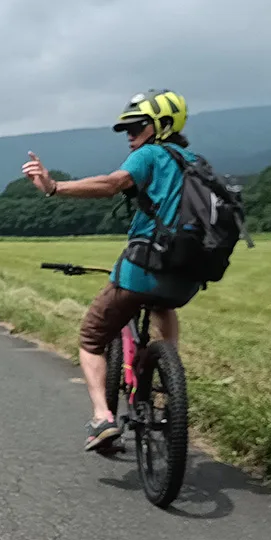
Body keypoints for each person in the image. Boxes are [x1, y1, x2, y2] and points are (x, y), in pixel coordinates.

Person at [21, 90, 202, 451]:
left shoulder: (150, 155)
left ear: (162, 126)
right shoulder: (195, 163)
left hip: (144, 264)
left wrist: (55, 187)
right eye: (126, 129)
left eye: (136, 126)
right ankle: (170, 378)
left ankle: (102, 417)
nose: (129, 134)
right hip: (186, 272)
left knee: (90, 338)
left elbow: (111, 184)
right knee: (163, 305)